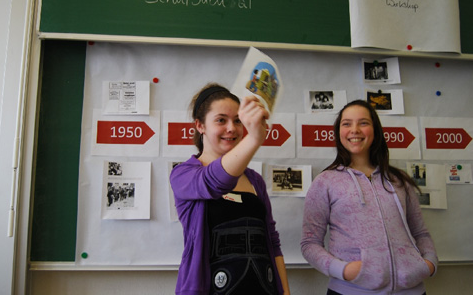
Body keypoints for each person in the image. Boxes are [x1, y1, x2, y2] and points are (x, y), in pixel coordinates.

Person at [301, 100, 438, 295]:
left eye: (363, 123)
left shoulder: (399, 181)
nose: (354, 130)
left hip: (412, 290)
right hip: (350, 290)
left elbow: (421, 233)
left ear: (375, 130)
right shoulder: (325, 181)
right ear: (339, 132)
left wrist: (429, 263)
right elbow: (309, 243)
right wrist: (344, 270)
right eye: (347, 123)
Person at [170, 83, 290, 295]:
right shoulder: (183, 175)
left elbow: (272, 240)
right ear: (200, 126)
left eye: (237, 120)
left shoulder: (255, 180)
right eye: (221, 120)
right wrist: (254, 139)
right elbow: (216, 181)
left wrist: (285, 292)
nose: (232, 128)